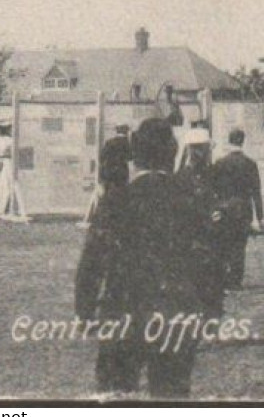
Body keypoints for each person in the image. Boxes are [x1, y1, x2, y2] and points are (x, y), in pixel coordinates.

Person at [74, 117, 214, 396]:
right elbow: (207, 260)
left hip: (123, 312)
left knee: (116, 394)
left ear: (134, 158)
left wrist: (85, 310)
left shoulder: (116, 200)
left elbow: (93, 259)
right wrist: (208, 311)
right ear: (173, 154)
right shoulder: (191, 199)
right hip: (176, 312)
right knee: (171, 396)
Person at [174, 127, 228, 316]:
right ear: (189, 151)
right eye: (196, 149)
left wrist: (220, 211)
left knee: (213, 284)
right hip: (191, 240)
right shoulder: (180, 179)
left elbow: (222, 199)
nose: (199, 154)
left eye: (203, 149)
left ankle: (210, 317)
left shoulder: (214, 174)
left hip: (211, 239)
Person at [211, 128, 264, 291]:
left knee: (224, 244)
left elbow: (213, 189)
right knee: (239, 246)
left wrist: (214, 209)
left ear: (230, 140)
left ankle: (224, 278)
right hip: (243, 210)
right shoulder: (250, 164)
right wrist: (261, 217)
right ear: (243, 141)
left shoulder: (220, 163)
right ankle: (236, 280)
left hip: (225, 209)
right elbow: (256, 192)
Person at [0, 122, 27, 222]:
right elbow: (9, 153)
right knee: (5, 187)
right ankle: (0, 211)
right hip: (7, 162)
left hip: (1, 162)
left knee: (0, 188)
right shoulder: (10, 141)